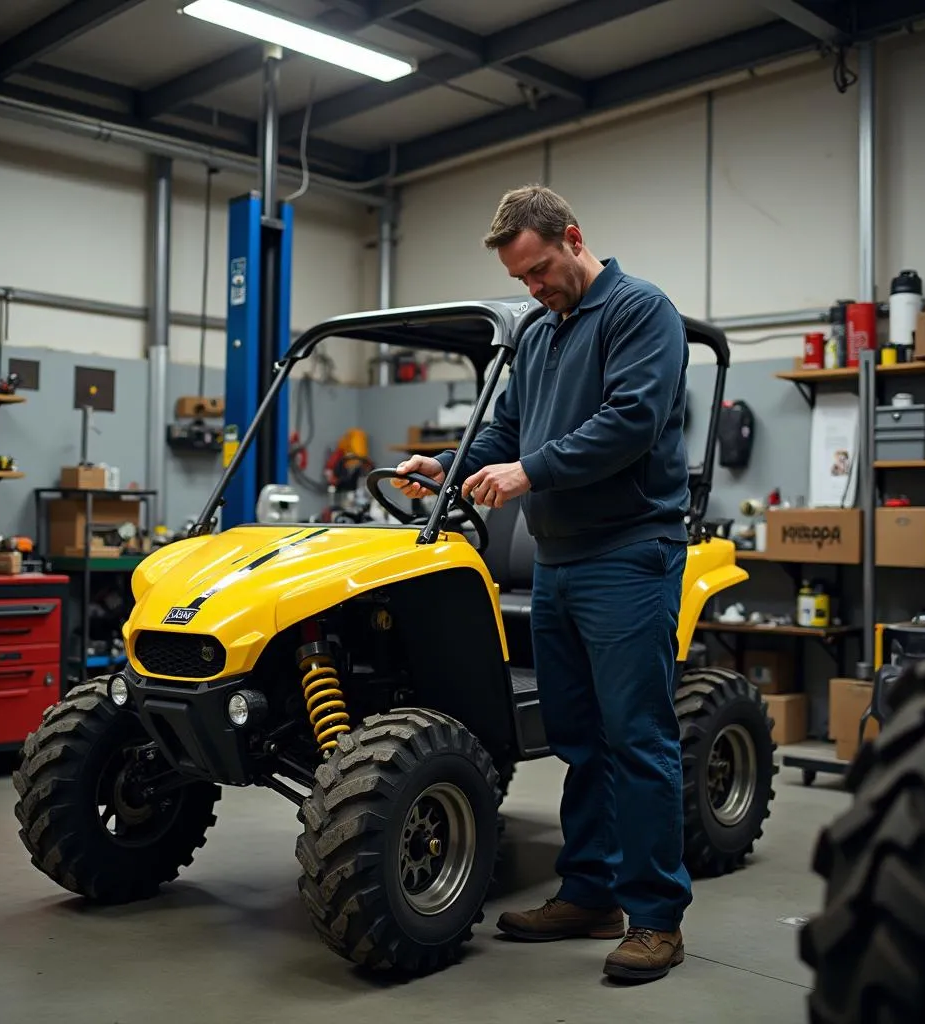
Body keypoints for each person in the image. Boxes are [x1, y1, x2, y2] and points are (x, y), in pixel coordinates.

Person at [394, 184, 692, 983]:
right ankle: (590, 893)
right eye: (522, 279)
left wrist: (529, 472)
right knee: (578, 738)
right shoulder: (538, 332)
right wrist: (450, 469)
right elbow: (506, 427)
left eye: (540, 270)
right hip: (560, 561)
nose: (534, 288)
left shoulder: (641, 312)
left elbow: (632, 421)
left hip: (630, 554)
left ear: (573, 237)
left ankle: (657, 917)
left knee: (638, 738)